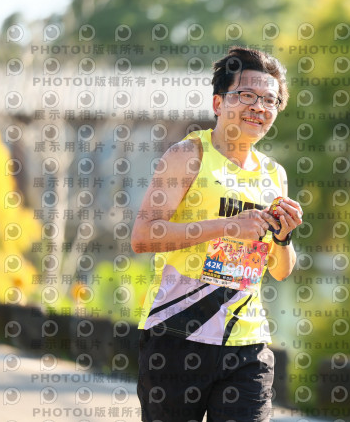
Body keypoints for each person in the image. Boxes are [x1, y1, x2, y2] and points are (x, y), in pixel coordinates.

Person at [131, 46, 302, 422]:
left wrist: (284, 238)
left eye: (270, 100)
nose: (259, 107)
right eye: (247, 95)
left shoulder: (274, 175)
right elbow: (143, 236)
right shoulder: (187, 155)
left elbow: (280, 270)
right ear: (218, 103)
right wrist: (228, 226)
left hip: (247, 343)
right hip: (177, 334)